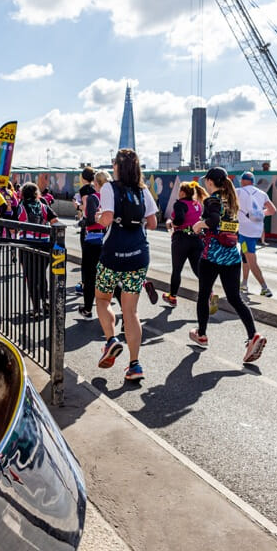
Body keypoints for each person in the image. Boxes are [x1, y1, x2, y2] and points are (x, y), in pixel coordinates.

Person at [189, 167, 267, 365]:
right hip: (232, 255)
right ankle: (253, 335)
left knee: (204, 294)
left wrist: (199, 225)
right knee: (235, 298)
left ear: (209, 182)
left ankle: (202, 334)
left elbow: (214, 220)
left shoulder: (212, 199)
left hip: (213, 255)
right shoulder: (233, 199)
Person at [94, 149, 158, 381]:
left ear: (118, 166)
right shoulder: (143, 191)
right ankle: (135, 365)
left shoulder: (110, 187)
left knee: (102, 299)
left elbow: (107, 218)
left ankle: (111, 340)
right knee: (130, 311)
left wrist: (97, 218)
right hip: (138, 255)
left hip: (112, 255)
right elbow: (152, 223)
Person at [16, 181, 60, 314]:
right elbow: (55, 222)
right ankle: (45, 301)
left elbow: (14, 227)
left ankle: (36, 308)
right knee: (41, 275)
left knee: (30, 277)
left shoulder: (20, 206)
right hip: (44, 244)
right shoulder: (43, 206)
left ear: (23, 193)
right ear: (36, 193)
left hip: (27, 245)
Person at [164, 180, 206, 306]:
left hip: (181, 239)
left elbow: (179, 220)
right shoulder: (197, 204)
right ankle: (209, 292)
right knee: (197, 269)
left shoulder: (180, 204)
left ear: (182, 193)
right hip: (196, 239)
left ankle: (172, 297)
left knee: (177, 270)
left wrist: (170, 224)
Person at [235, 171, 275, 299]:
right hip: (257, 231)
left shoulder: (239, 192)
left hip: (245, 232)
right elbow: (273, 210)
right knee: (245, 257)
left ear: (242, 181)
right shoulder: (262, 193)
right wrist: (259, 213)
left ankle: (264, 287)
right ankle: (244, 283)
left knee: (251, 260)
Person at [75, 168, 106, 318]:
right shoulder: (111, 198)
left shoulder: (94, 197)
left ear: (96, 182)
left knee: (89, 276)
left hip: (93, 239)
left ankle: (87, 309)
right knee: (109, 275)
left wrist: (81, 223)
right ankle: (126, 311)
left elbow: (92, 218)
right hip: (107, 239)